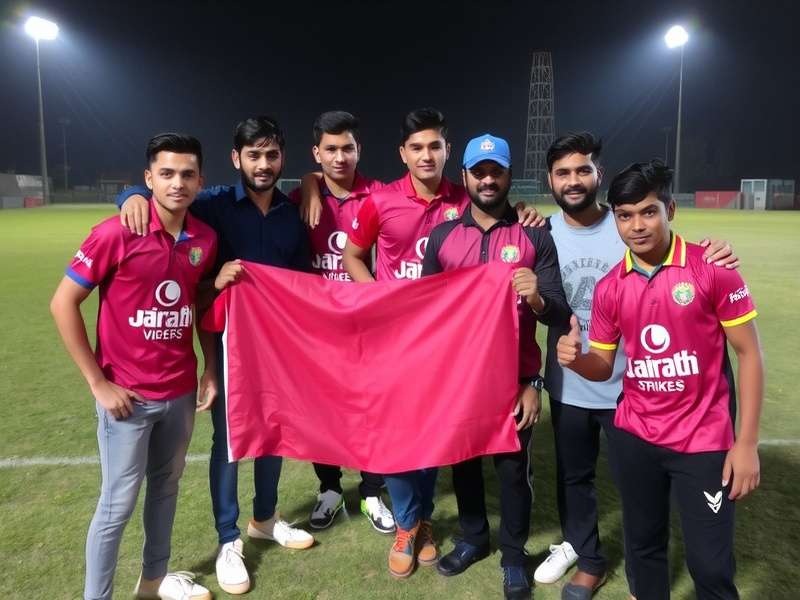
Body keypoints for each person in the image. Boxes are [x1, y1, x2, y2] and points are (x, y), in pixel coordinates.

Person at [535, 133, 739, 600]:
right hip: (578, 381)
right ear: (549, 180)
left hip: (640, 396)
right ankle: (588, 560)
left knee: (670, 529)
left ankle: (640, 582)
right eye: (562, 173)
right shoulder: (540, 230)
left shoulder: (625, 219)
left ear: (597, 176)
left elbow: (739, 344)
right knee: (579, 478)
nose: (573, 180)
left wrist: (715, 255)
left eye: (582, 170)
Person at [117, 116, 313, 595]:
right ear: (236, 159)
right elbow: (159, 193)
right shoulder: (215, 204)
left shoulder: (293, 214)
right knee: (229, 439)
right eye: (253, 155)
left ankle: (264, 519)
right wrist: (133, 198)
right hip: (229, 343)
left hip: (281, 347)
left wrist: (310, 185)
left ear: (282, 158)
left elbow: (306, 284)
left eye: (271, 155)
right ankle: (229, 539)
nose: (263, 164)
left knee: (275, 432)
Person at [50, 133, 216, 600]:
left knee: (165, 491)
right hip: (127, 398)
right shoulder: (114, 233)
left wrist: (208, 367)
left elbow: (198, 301)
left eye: (186, 174)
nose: (177, 183)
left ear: (200, 181)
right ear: (148, 179)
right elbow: (63, 303)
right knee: (116, 506)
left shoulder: (204, 238)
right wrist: (98, 383)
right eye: (166, 174)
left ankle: (152, 586)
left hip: (180, 394)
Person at [422, 134, 570, 600]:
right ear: (464, 176)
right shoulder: (444, 237)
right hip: (459, 382)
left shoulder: (533, 235)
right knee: (464, 465)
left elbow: (560, 314)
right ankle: (472, 538)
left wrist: (537, 299)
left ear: (509, 176)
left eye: (497, 171)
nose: (488, 180)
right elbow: (422, 310)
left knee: (511, 472)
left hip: (515, 383)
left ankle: (512, 555)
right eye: (479, 171)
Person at [287, 110, 395, 533]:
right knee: (322, 410)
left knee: (373, 409)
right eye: (329, 149)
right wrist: (308, 183)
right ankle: (329, 488)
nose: (339, 157)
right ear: (317, 153)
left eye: (347, 148)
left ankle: (371, 490)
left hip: (369, 325)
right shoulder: (299, 200)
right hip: (317, 328)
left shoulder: (382, 196)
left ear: (359, 150)